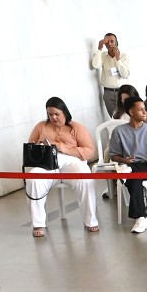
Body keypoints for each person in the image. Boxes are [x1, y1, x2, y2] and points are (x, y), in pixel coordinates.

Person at [25, 96, 99, 238]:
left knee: (84, 177)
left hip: (72, 161)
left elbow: (90, 151)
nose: (53, 117)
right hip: (47, 163)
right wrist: (40, 147)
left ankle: (91, 220)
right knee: (33, 179)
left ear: (64, 112)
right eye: (50, 114)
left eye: (56, 114)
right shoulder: (41, 126)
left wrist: (63, 148)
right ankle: (38, 223)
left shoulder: (76, 127)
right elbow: (30, 147)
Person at [107, 99, 147, 234]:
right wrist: (124, 160)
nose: (144, 112)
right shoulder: (119, 131)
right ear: (131, 112)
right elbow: (113, 155)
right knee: (134, 175)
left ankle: (141, 217)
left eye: (144, 109)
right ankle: (141, 217)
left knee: (133, 173)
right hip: (131, 164)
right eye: (140, 109)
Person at [90, 33, 130, 119]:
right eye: (107, 42)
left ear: (116, 42)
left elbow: (125, 74)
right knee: (114, 118)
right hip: (108, 93)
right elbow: (95, 65)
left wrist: (118, 59)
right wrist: (99, 49)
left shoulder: (123, 56)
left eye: (112, 41)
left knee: (127, 117)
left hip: (122, 92)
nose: (110, 44)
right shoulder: (103, 55)